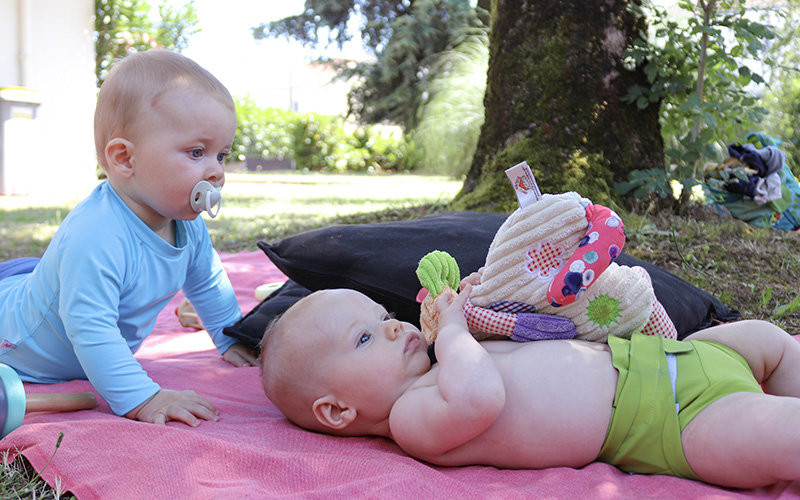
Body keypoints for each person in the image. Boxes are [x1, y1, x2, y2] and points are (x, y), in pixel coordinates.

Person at [259, 280, 800, 489]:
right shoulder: (411, 419)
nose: (394, 326)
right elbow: (481, 397)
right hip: (671, 423)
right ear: (336, 411)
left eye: (382, 315)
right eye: (364, 339)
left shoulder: (444, 363)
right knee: (782, 434)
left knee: (766, 338)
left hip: (668, 356)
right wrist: (451, 331)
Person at [0, 50, 257, 427]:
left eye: (222, 155)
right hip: (16, 340)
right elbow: (91, 327)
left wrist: (231, 336)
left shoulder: (188, 226)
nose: (216, 172)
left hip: (48, 298)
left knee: (46, 278)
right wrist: (142, 397)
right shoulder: (95, 234)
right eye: (197, 152)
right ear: (124, 159)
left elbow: (208, 282)